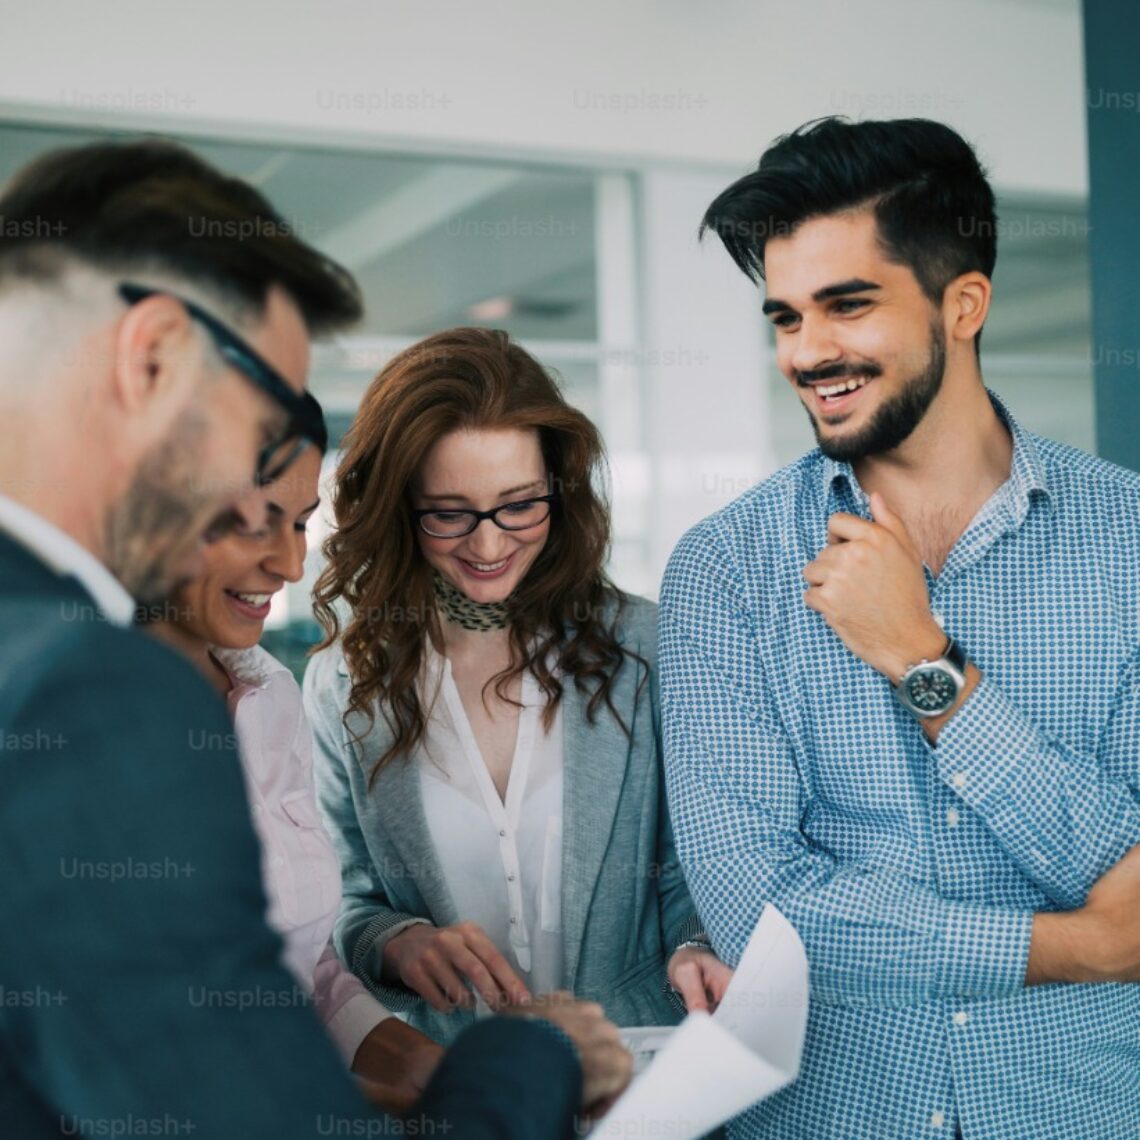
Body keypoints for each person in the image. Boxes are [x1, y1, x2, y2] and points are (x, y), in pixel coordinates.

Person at [0, 138, 630, 1139]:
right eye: (260, 432)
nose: (278, 547)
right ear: (151, 359)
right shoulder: (91, 690)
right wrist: (539, 1054)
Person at [659, 117, 1140, 1139]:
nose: (809, 352)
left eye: (848, 305)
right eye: (784, 317)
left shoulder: (1132, 544)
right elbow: (762, 915)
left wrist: (924, 662)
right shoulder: (725, 572)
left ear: (964, 304)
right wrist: (1080, 947)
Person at [303, 327, 730, 1047]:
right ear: (396, 507)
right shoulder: (345, 682)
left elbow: (696, 865)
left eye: (520, 504)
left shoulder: (645, 647)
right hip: (459, 1083)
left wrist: (694, 945)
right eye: (448, 512)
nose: (490, 544)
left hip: (640, 1074)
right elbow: (345, 901)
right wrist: (398, 940)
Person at [150, 394, 449, 1112]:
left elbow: (300, 965)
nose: (290, 563)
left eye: (302, 524)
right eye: (256, 523)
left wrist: (428, 1068)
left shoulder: (269, 695)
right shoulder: (64, 722)